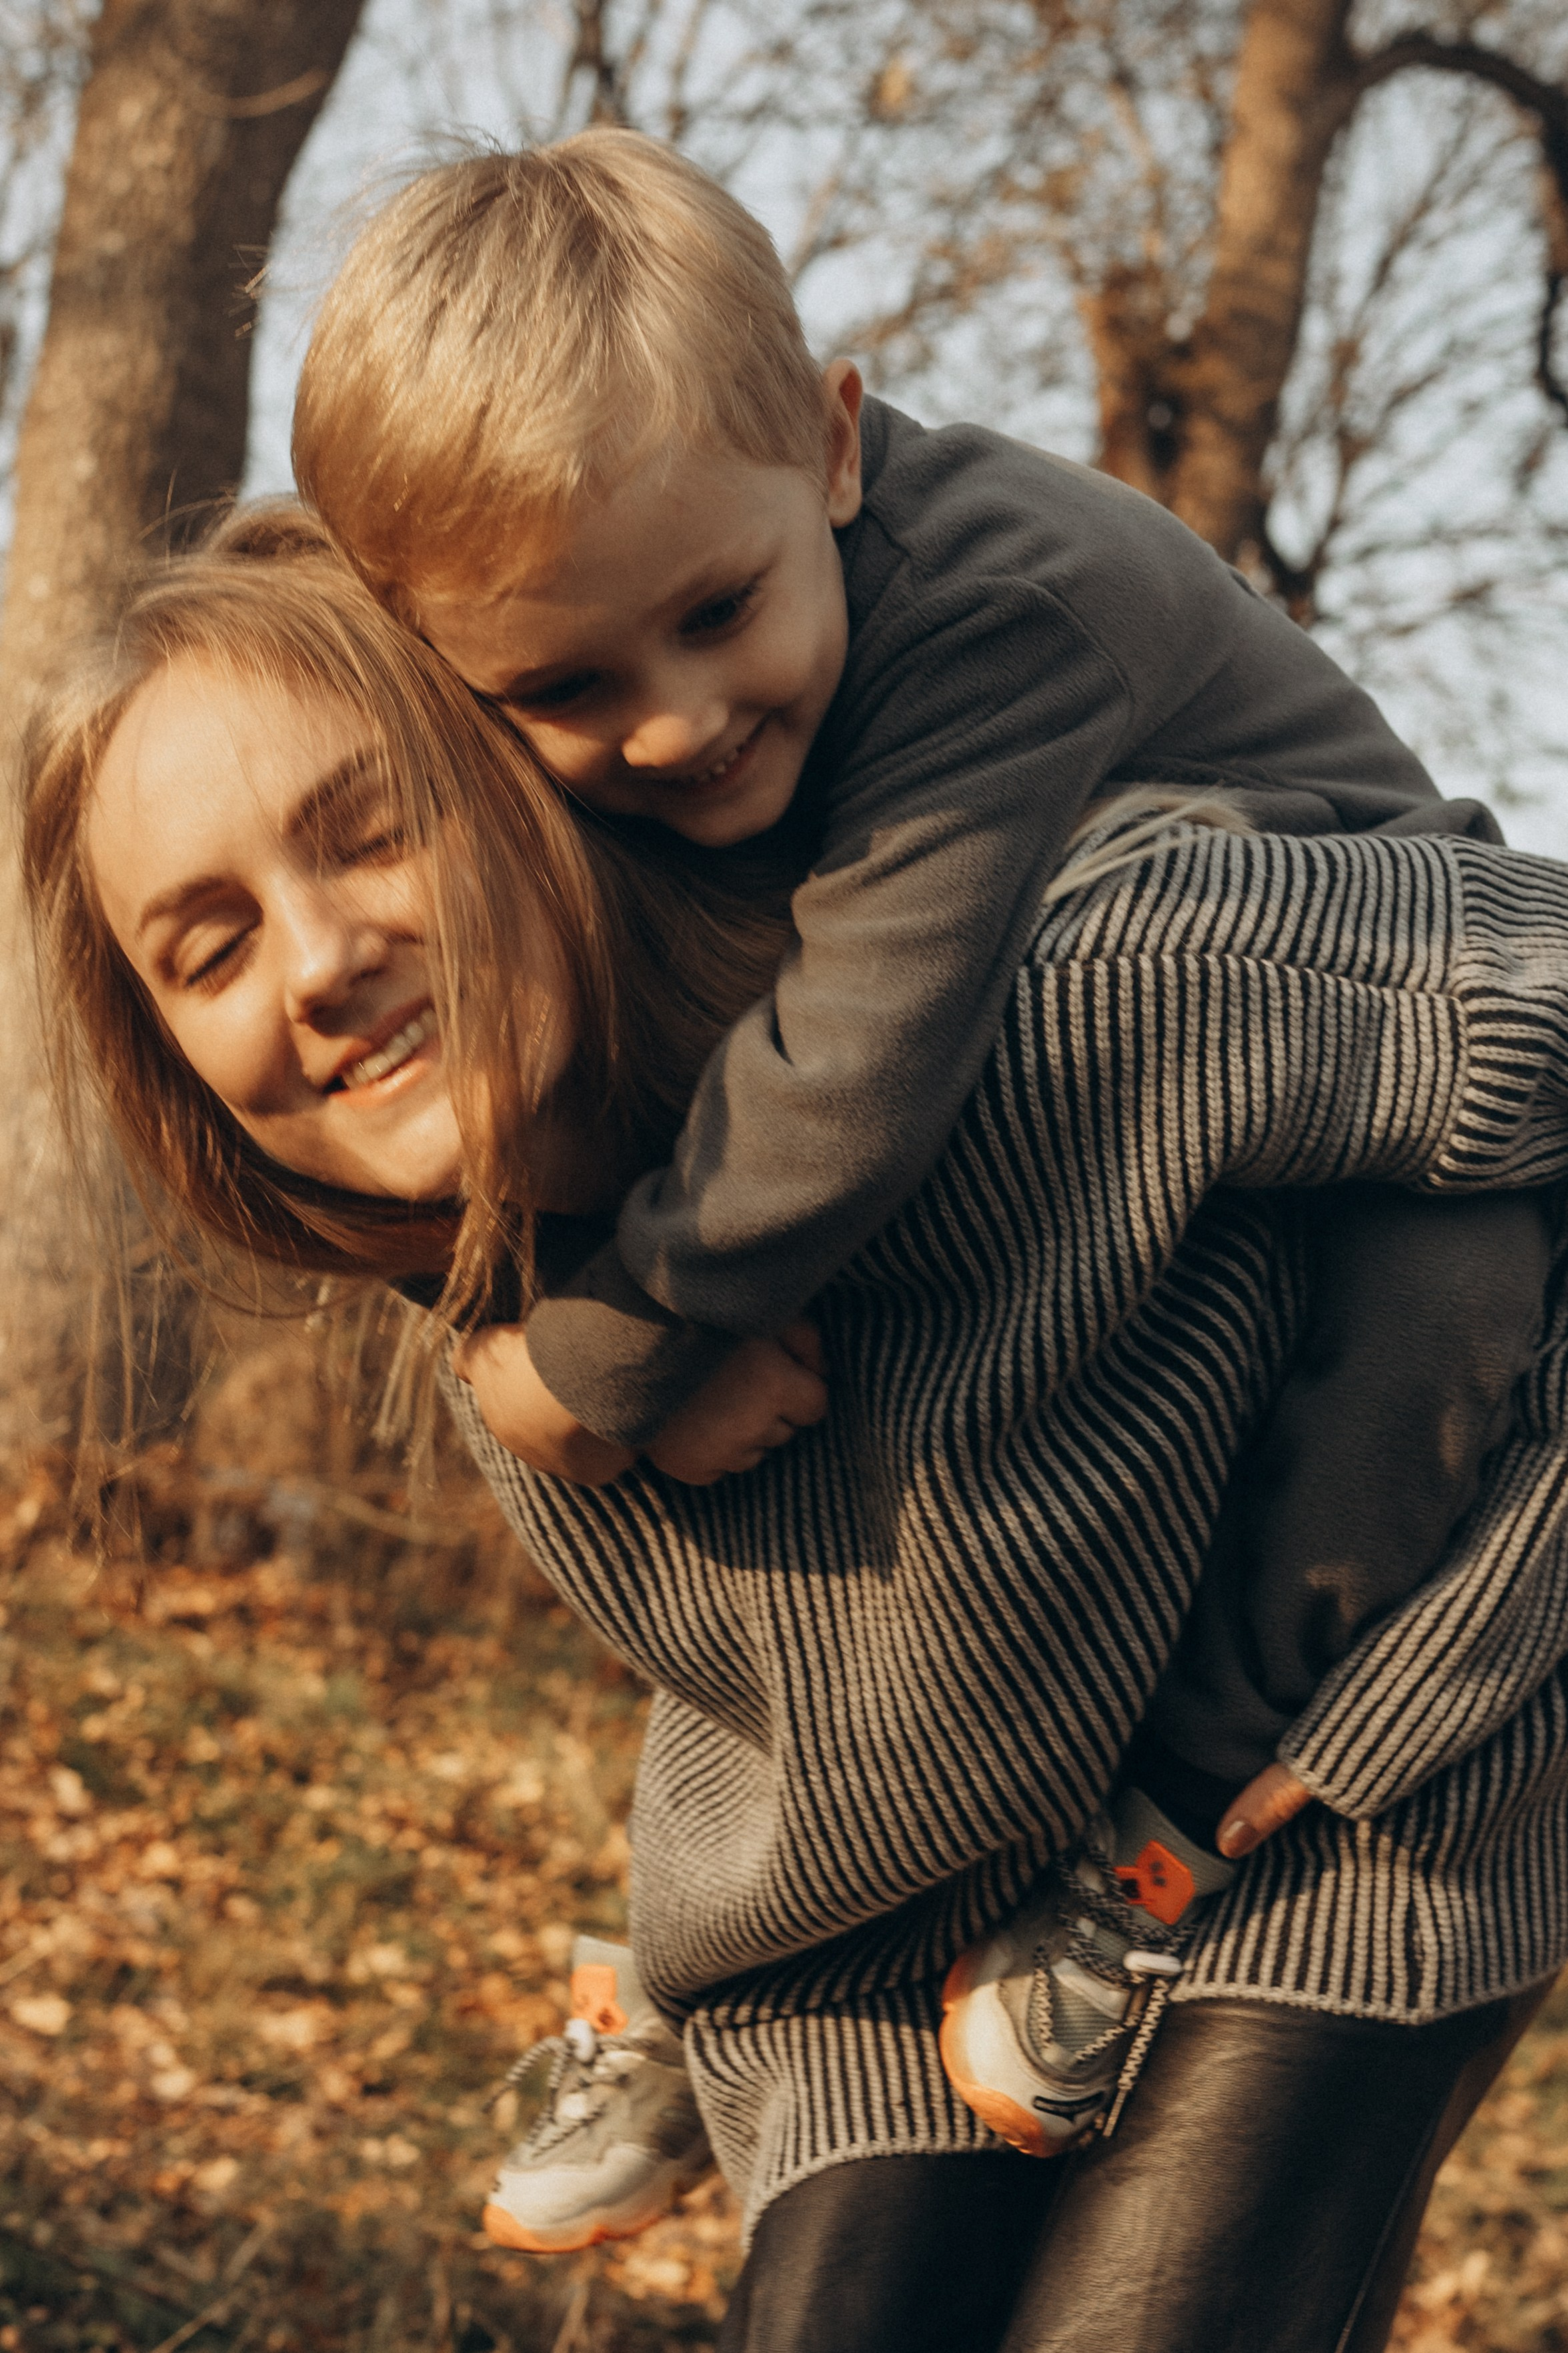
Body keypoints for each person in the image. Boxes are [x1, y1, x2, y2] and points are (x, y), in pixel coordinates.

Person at [25, 520, 1568, 2349]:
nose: (315, 964)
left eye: (372, 834)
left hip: (1379, 1762)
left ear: (533, 774)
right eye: (209, 951)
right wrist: (747, 2015)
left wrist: (1444, 1668)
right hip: (983, 1887)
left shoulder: (1070, 987)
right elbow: (827, 1714)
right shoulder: (520, 1346)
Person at [289, 125, 1551, 2210]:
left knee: (1425, 1354)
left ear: (835, 445)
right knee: (845, 1488)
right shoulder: (688, 679)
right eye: (571, 687)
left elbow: (858, 1061)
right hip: (1075, 1091)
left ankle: (1158, 1847)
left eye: (718, 615)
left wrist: (609, 1346)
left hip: (1366, 1039)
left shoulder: (993, 615)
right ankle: (731, 1952)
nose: (676, 725)